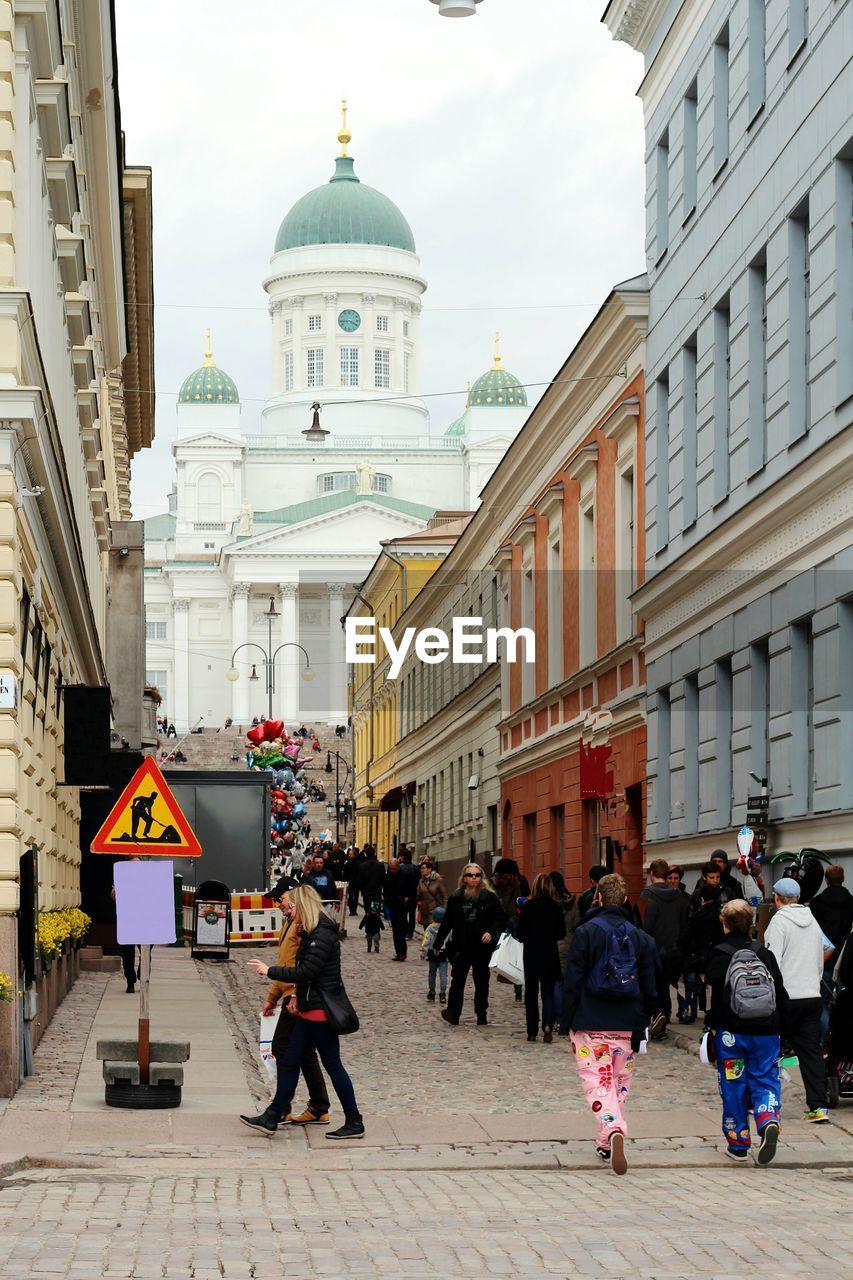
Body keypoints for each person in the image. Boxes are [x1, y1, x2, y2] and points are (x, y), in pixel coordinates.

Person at [241, 885, 364, 1139]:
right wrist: (296, 994)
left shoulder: (321, 934)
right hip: (308, 1010)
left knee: (333, 1066)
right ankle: (273, 1116)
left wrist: (270, 971)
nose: (289, 911)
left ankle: (354, 1121)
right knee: (290, 1060)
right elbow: (306, 974)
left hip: (320, 1013)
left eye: (292, 907)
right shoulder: (310, 932)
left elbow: (307, 972)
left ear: (302, 906)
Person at [561, 872, 657, 1174]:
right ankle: (605, 1142)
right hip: (626, 1023)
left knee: (597, 1082)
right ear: (626, 900)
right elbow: (650, 984)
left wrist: (567, 1019)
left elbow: (573, 979)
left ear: (598, 897)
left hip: (590, 1021)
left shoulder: (587, 932)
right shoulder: (640, 937)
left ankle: (613, 1129)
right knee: (618, 1084)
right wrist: (645, 1018)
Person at [705, 898, 789, 1163]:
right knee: (765, 1079)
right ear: (751, 925)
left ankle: (739, 1142)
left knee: (734, 1085)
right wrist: (783, 1029)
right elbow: (781, 994)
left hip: (732, 1035)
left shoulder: (719, 953)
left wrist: (713, 1027)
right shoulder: (763, 953)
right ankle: (767, 1120)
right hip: (766, 1032)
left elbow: (717, 995)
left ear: (725, 924)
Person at [263, 887, 331, 1126]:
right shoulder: (290, 924)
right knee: (303, 1052)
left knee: (282, 1047)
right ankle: (318, 1105)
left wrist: (292, 995)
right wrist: (272, 997)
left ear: (293, 898)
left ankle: (283, 1107)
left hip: (297, 996)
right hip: (295, 994)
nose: (278, 904)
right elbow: (284, 961)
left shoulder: (303, 928)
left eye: (280, 899)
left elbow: (298, 965)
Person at [764, 876, 829, 1122]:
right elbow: (820, 957)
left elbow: (772, 963)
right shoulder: (813, 922)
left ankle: (765, 1103)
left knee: (770, 1049)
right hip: (811, 994)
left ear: (777, 898)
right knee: (810, 1051)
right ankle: (818, 1107)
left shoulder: (778, 923)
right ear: (798, 898)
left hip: (786, 997)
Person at [432, 863, 505, 1027]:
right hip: (461, 946)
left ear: (481, 878)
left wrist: (491, 932)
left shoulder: (489, 897)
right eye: (470, 875)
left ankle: (481, 1014)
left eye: (477, 875)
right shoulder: (456, 897)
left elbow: (500, 919)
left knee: (481, 982)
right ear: (464, 878)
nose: (473, 878)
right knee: (457, 980)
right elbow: (447, 922)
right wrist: (438, 943)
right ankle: (453, 1013)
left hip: (481, 947)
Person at [639, 858, 689, 1037]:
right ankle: (665, 1016)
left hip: (653, 948)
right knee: (666, 986)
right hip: (673, 948)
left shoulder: (646, 895)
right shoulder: (678, 895)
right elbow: (683, 923)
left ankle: (655, 1016)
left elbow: (645, 926)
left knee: (652, 986)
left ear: (651, 874)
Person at [517, 873, 566, 1043]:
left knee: (531, 992)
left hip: (531, 953)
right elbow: (562, 932)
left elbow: (519, 932)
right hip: (549, 953)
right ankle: (547, 1024)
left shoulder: (528, 907)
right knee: (548, 993)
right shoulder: (556, 907)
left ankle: (531, 1030)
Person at [679, 883, 723, 1022]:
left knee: (691, 982)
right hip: (715, 955)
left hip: (697, 956)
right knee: (713, 987)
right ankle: (711, 1013)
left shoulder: (698, 916)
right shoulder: (721, 914)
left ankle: (691, 1011)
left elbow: (686, 937)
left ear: (702, 899)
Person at [491, 858, 528, 1003]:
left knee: (519, 954)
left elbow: (524, 900)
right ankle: (511, 980)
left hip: (518, 922)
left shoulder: (520, 883)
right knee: (507, 953)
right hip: (502, 922)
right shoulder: (496, 884)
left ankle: (519, 986)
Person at [548, 870, 580, 1029]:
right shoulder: (572, 901)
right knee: (567, 983)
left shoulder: (550, 902)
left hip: (553, 944)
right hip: (569, 943)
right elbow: (577, 923)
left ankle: (558, 1018)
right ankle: (567, 1017)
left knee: (555, 984)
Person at [420, 906, 449, 1003]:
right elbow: (451, 940)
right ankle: (442, 994)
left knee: (432, 974)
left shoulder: (429, 928)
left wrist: (423, 952)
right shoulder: (447, 928)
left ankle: (432, 993)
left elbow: (426, 941)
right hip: (443, 953)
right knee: (443, 975)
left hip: (432, 953)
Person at [384, 858, 410, 960]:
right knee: (395, 930)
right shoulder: (388, 876)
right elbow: (385, 890)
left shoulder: (405, 875)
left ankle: (402, 952)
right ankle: (398, 952)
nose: (393, 871)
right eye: (391, 869)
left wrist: (408, 898)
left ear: (398, 866)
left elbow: (411, 889)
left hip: (402, 906)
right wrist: (386, 901)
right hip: (392, 905)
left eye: (394, 869)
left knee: (400, 929)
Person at [416, 858, 447, 926]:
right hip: (425, 912)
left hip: (435, 910)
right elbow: (418, 895)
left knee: (434, 931)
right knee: (426, 932)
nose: (422, 870)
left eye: (424, 868)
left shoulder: (438, 879)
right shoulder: (421, 881)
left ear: (429, 869)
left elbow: (445, 896)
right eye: (421, 868)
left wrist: (444, 910)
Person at [399, 849, 420, 938]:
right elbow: (418, 883)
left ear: (403, 857)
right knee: (412, 914)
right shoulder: (415, 868)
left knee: (402, 914)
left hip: (402, 896)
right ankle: (410, 932)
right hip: (413, 895)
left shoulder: (400, 867)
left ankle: (405, 930)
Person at [357, 847, 385, 915]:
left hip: (366, 893)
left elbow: (360, 881)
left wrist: (362, 890)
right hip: (376, 893)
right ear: (374, 854)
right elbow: (383, 879)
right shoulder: (380, 865)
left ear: (366, 854)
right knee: (375, 911)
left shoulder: (362, 866)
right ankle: (374, 923)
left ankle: (369, 922)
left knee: (368, 911)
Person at [342, 848, 361, 916]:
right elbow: (344, 873)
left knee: (356, 897)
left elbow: (360, 873)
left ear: (355, 855)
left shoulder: (358, 863)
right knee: (350, 896)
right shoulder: (347, 863)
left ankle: (354, 910)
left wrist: (359, 881)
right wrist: (345, 881)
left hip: (356, 883)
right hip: (349, 882)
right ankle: (351, 910)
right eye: (349, 854)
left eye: (351, 854)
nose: (349, 855)